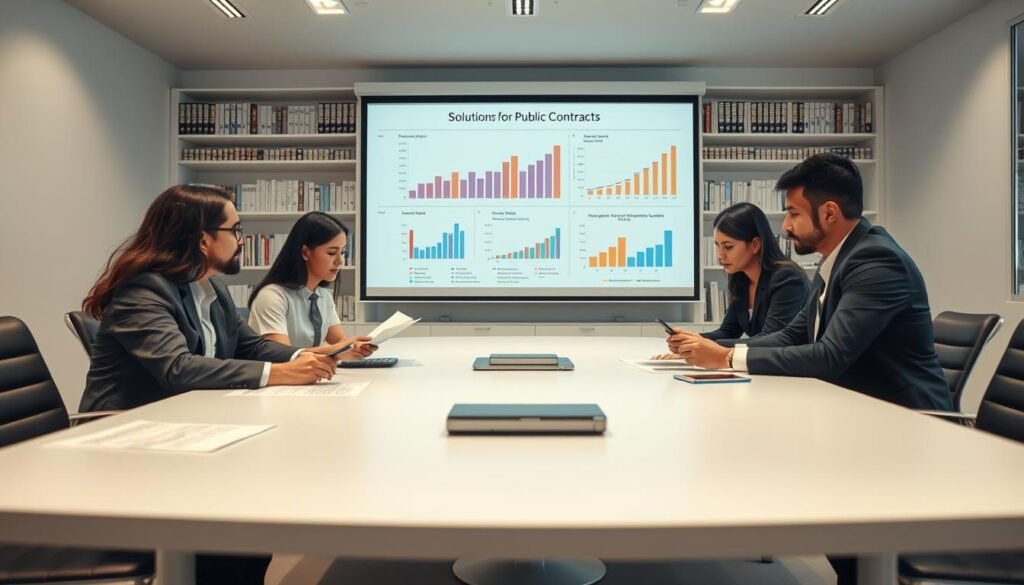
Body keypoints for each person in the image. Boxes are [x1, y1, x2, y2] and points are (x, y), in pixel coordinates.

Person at [670, 154, 952, 585]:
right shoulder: (837, 261)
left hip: (900, 432)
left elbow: (829, 355)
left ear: (830, 213)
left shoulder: (876, 261)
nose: (784, 226)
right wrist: (717, 352)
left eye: (794, 213)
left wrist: (727, 358)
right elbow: (792, 337)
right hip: (855, 419)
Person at [656, 202, 808, 358]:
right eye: (717, 246)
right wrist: (691, 340)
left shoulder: (788, 278)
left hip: (792, 370)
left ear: (755, 245)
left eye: (728, 247)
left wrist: (702, 345)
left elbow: (771, 340)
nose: (720, 256)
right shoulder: (740, 279)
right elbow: (728, 331)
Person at [248, 211, 375, 358]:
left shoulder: (324, 297)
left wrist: (358, 347)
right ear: (305, 252)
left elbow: (341, 343)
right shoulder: (271, 297)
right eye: (332, 252)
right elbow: (283, 355)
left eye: (343, 252)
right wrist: (341, 348)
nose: (340, 261)